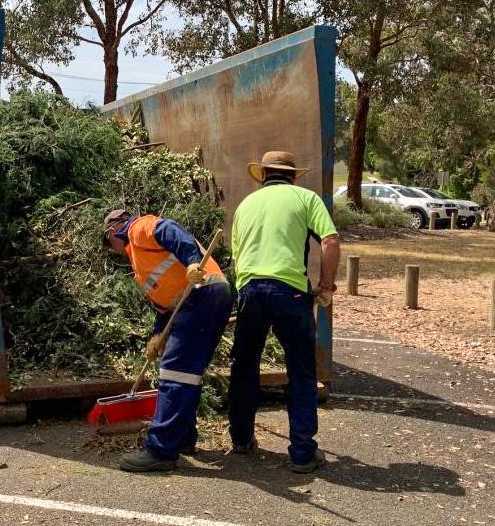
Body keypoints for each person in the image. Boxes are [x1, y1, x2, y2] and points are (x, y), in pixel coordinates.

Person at [228, 151, 341, 473]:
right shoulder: (305, 198)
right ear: (292, 176)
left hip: (250, 290)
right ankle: (303, 453)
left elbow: (239, 256)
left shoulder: (245, 206)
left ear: (263, 174)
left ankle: (241, 438)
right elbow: (330, 241)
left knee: (244, 366)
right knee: (302, 370)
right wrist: (326, 285)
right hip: (290, 291)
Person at [102, 209, 233, 472]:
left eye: (108, 243)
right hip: (208, 297)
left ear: (113, 231)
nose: (112, 249)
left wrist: (193, 263)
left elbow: (171, 230)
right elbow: (165, 306)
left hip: (200, 294)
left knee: (174, 375)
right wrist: (157, 336)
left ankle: (160, 450)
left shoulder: (137, 229)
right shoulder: (141, 262)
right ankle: (183, 437)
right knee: (188, 374)